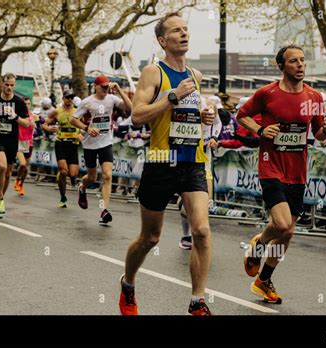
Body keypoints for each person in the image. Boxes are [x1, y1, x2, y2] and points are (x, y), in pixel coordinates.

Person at [119, 12, 216, 316]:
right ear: (163, 40)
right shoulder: (153, 72)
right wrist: (172, 96)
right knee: (150, 237)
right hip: (161, 161)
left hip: (192, 161)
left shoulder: (196, 76)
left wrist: (204, 117)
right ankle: (129, 283)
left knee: (201, 230)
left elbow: (184, 117)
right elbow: (138, 115)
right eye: (176, 31)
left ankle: (197, 300)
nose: (184, 34)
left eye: (186, 29)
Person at [237, 45, 326, 304]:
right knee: (281, 224)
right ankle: (259, 244)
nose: (300, 65)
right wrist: (260, 130)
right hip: (271, 166)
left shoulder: (314, 97)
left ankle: (263, 280)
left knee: (288, 232)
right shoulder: (267, 93)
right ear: (281, 66)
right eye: (294, 61)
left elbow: (320, 135)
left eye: (302, 60)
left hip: (297, 171)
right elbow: (241, 115)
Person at [71, 75, 132, 224]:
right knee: (92, 177)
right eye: (103, 87)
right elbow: (73, 120)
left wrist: (119, 90)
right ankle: (82, 186)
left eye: (107, 87)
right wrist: (87, 128)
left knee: (107, 175)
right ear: (96, 86)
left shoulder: (112, 99)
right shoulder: (87, 102)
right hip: (90, 143)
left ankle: (104, 210)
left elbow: (130, 107)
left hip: (106, 142)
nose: (105, 89)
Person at [0, 73, 29, 218]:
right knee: (1, 167)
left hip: (12, 140)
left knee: (7, 173)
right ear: (2, 84)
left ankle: (0, 198)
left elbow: (26, 123)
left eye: (11, 85)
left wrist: (15, 116)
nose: (9, 87)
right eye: (6, 84)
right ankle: (0, 199)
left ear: (15, 86)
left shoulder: (19, 103)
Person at [178, 95, 221, 251]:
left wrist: (214, 137)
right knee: (185, 208)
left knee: (204, 203)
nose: (211, 114)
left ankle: (199, 236)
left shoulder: (211, 110)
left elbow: (218, 123)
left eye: (213, 112)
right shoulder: (187, 107)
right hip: (186, 159)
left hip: (204, 163)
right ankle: (185, 234)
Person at [43, 90, 82, 207]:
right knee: (64, 171)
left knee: (73, 174)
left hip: (73, 144)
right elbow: (45, 124)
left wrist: (82, 134)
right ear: (63, 98)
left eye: (71, 97)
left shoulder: (78, 112)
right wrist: (49, 129)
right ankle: (63, 197)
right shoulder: (57, 111)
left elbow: (86, 125)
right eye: (67, 97)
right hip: (61, 143)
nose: (69, 100)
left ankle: (66, 178)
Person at [14, 96, 37, 196]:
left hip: (28, 142)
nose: (27, 106)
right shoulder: (16, 115)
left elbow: (34, 126)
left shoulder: (32, 115)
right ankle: (18, 179)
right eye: (25, 104)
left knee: (25, 167)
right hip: (18, 141)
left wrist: (29, 117)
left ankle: (20, 185)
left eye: (28, 104)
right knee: (22, 164)